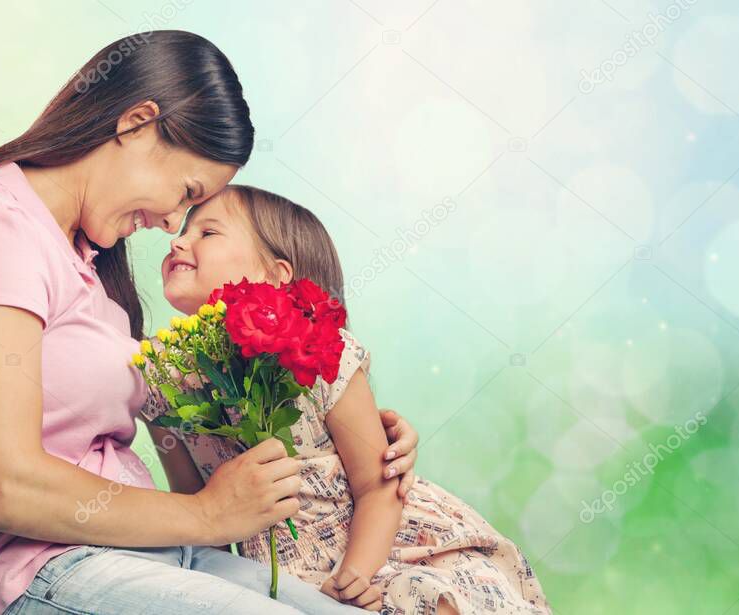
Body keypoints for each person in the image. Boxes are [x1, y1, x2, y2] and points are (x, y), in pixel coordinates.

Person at [0, 31, 420, 615]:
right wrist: (206, 514)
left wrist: (362, 439)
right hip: (36, 571)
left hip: (153, 553)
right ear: (136, 124)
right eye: (186, 192)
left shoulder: (88, 266)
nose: (173, 224)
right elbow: (4, 487)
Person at [145, 185, 553, 614]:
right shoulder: (164, 380)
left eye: (207, 233)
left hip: (386, 549)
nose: (177, 241)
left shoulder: (321, 353)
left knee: (426, 598)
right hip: (281, 577)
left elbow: (378, 485)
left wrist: (355, 577)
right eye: (184, 231)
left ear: (276, 275)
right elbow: (195, 511)